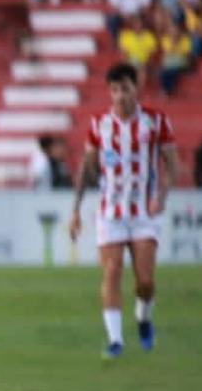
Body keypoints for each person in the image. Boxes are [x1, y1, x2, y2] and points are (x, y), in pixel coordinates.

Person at [68, 64, 178, 359]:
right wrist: (76, 211)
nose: (119, 96)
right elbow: (85, 168)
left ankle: (143, 317)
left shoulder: (155, 121)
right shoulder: (99, 125)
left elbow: (172, 165)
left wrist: (162, 197)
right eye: (114, 90)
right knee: (112, 271)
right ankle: (115, 340)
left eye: (125, 89)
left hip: (144, 212)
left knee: (145, 282)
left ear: (135, 88)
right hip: (110, 213)